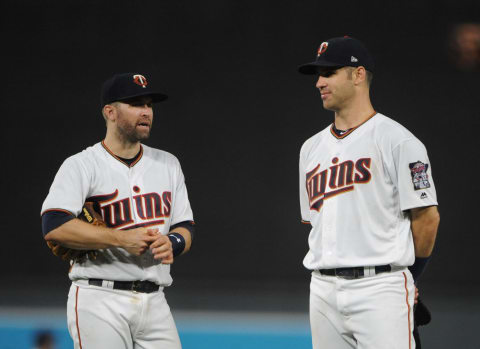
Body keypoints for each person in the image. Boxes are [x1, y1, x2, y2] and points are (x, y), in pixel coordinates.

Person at [297, 36, 440, 349]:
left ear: (358, 74)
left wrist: (410, 276)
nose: (319, 82)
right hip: (322, 287)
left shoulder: (398, 141)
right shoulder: (310, 149)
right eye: (317, 75)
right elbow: (314, 221)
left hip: (380, 287)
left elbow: (427, 219)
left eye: (329, 72)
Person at [41, 73, 195, 349]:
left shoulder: (168, 164)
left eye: (149, 104)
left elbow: (186, 226)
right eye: (136, 104)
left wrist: (173, 242)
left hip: (155, 300)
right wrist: (121, 238)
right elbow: (54, 225)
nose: (146, 111)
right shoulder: (81, 165)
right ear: (110, 112)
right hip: (99, 297)